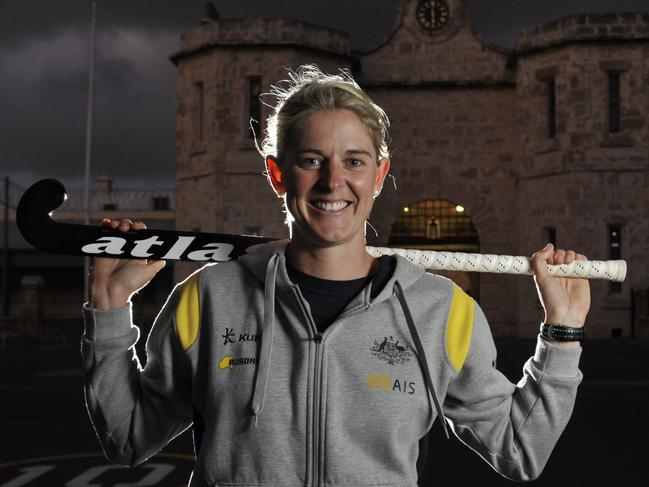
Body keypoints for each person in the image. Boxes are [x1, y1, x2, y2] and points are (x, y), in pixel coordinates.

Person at [83, 64, 590, 486]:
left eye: (354, 161)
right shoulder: (209, 298)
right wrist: (109, 310)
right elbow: (128, 439)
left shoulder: (443, 312)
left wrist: (562, 336)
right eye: (311, 160)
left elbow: (520, 449)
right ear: (278, 172)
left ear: (378, 174)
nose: (333, 182)